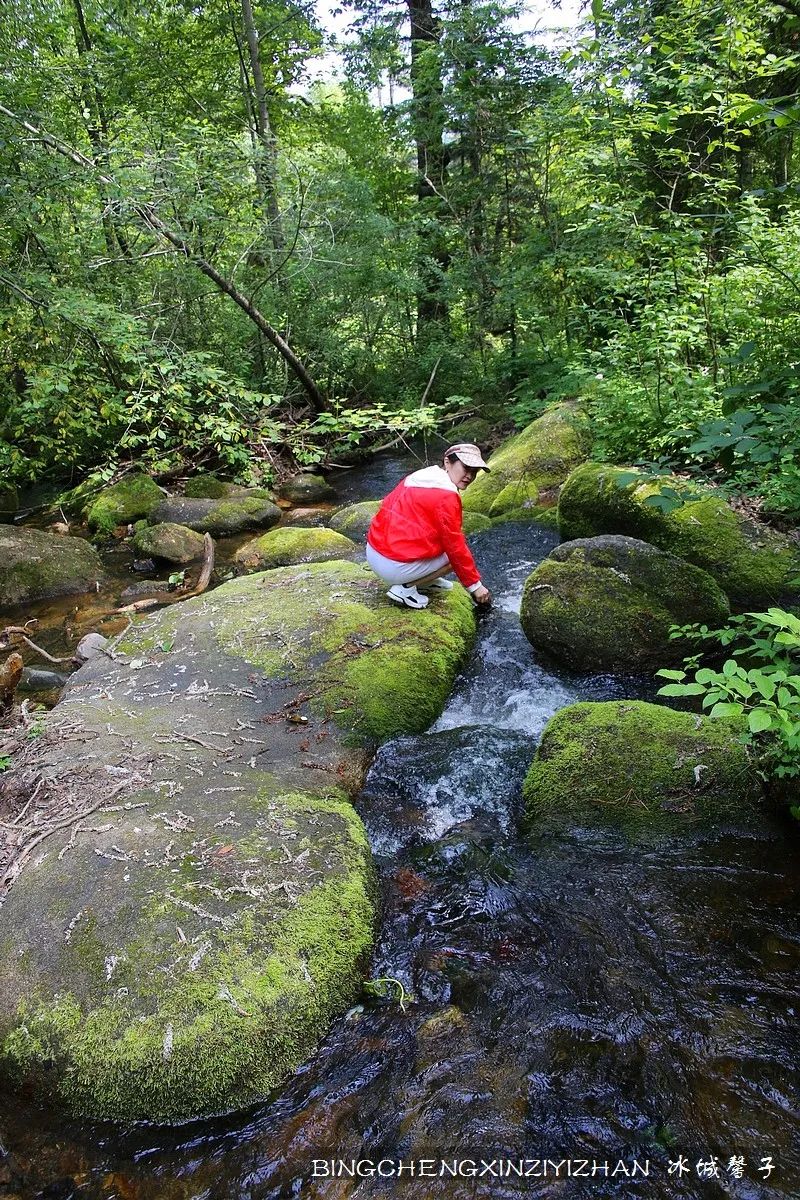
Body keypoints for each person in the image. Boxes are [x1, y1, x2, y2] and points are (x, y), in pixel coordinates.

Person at [366, 443, 493, 610]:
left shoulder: (419, 476)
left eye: (474, 471)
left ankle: (427, 580)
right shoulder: (447, 495)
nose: (469, 475)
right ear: (447, 462)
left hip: (373, 552)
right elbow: (455, 546)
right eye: (466, 468)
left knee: (442, 542)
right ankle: (405, 588)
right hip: (392, 565)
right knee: (451, 558)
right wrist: (475, 586)